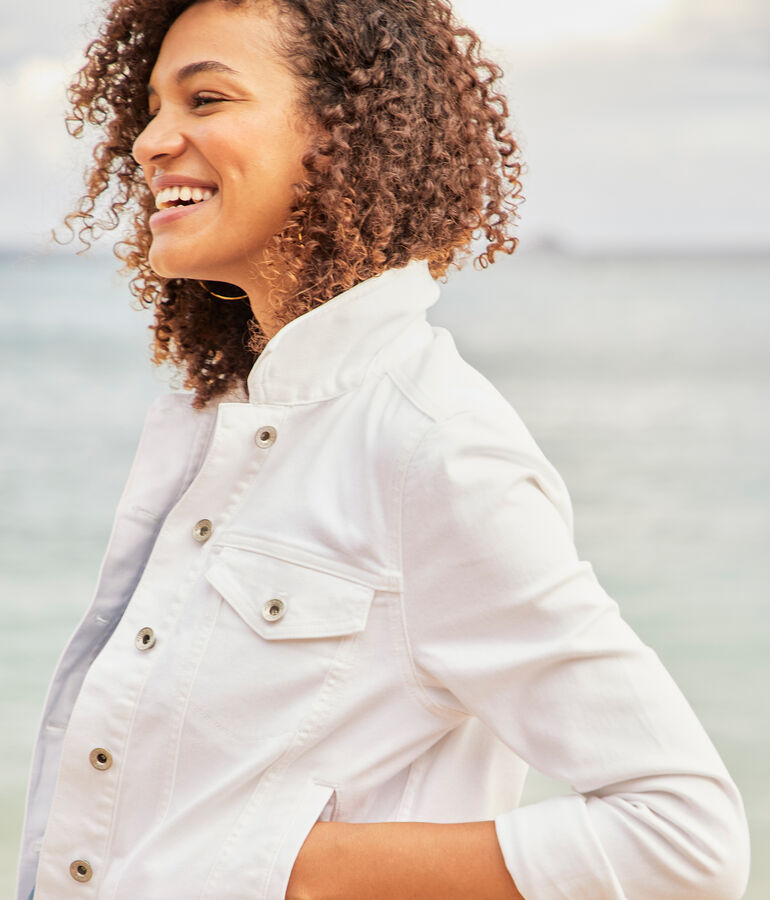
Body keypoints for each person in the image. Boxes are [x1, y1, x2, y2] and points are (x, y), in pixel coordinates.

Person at [17, 0, 750, 898]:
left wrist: (271, 873)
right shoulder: (233, 421)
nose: (150, 142)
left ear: (342, 130)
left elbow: (683, 838)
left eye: (205, 100)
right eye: (153, 108)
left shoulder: (432, 446)